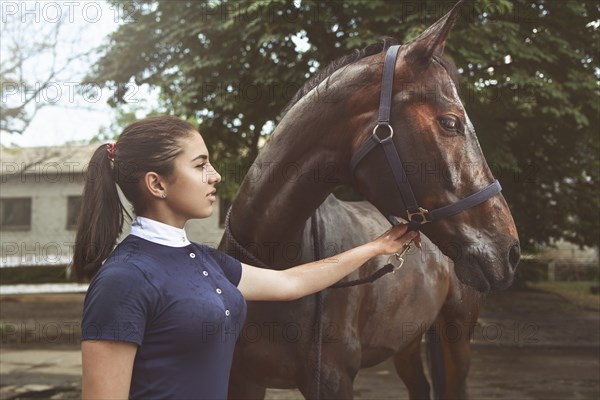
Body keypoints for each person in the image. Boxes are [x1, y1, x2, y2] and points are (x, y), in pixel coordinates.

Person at [73, 115, 419, 399]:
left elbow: (290, 282)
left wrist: (376, 247)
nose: (216, 176)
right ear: (157, 184)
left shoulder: (206, 260)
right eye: (200, 165)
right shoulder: (124, 279)